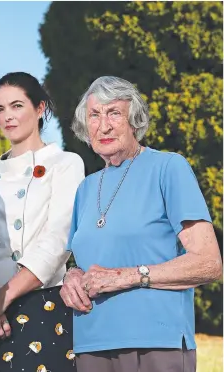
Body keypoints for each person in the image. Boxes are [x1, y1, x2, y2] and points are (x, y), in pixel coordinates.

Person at [60, 76, 223, 372]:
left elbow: (209, 263)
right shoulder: (85, 188)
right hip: (90, 344)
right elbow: (83, 261)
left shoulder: (168, 168)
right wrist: (71, 277)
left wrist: (126, 276)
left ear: (134, 120)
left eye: (114, 113)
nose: (103, 125)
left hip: (154, 344)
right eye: (94, 115)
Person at [0, 72, 85, 372]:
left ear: (40, 108)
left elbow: (58, 239)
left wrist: (3, 297)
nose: (7, 117)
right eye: (0, 109)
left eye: (17, 106)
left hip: (42, 304)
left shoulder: (66, 163)